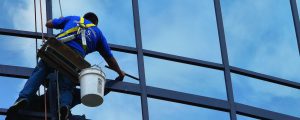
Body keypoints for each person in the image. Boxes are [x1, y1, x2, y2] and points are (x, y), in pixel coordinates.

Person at [6, 12, 125, 120]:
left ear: (84, 18)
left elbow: (48, 24)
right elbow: (110, 58)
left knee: (40, 71)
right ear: (96, 24)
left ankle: (23, 98)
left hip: (57, 48)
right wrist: (120, 72)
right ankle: (64, 107)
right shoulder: (98, 33)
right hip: (75, 58)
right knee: (66, 86)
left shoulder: (73, 18)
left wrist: (61, 20)